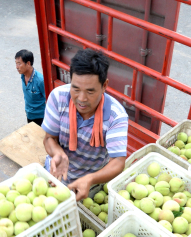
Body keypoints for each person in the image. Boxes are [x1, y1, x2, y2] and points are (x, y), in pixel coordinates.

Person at [42, 49, 129, 201]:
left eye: (90, 91)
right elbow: (49, 138)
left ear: (104, 86)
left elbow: (118, 161)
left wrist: (90, 179)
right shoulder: (58, 98)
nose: (81, 98)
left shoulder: (116, 116)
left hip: (91, 182)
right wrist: (58, 154)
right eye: (75, 88)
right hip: (57, 171)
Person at [15, 49, 46, 126]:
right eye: (16, 64)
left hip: (41, 118)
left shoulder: (40, 80)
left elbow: (49, 100)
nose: (16, 67)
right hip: (29, 114)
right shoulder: (23, 75)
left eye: (19, 64)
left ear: (28, 63)